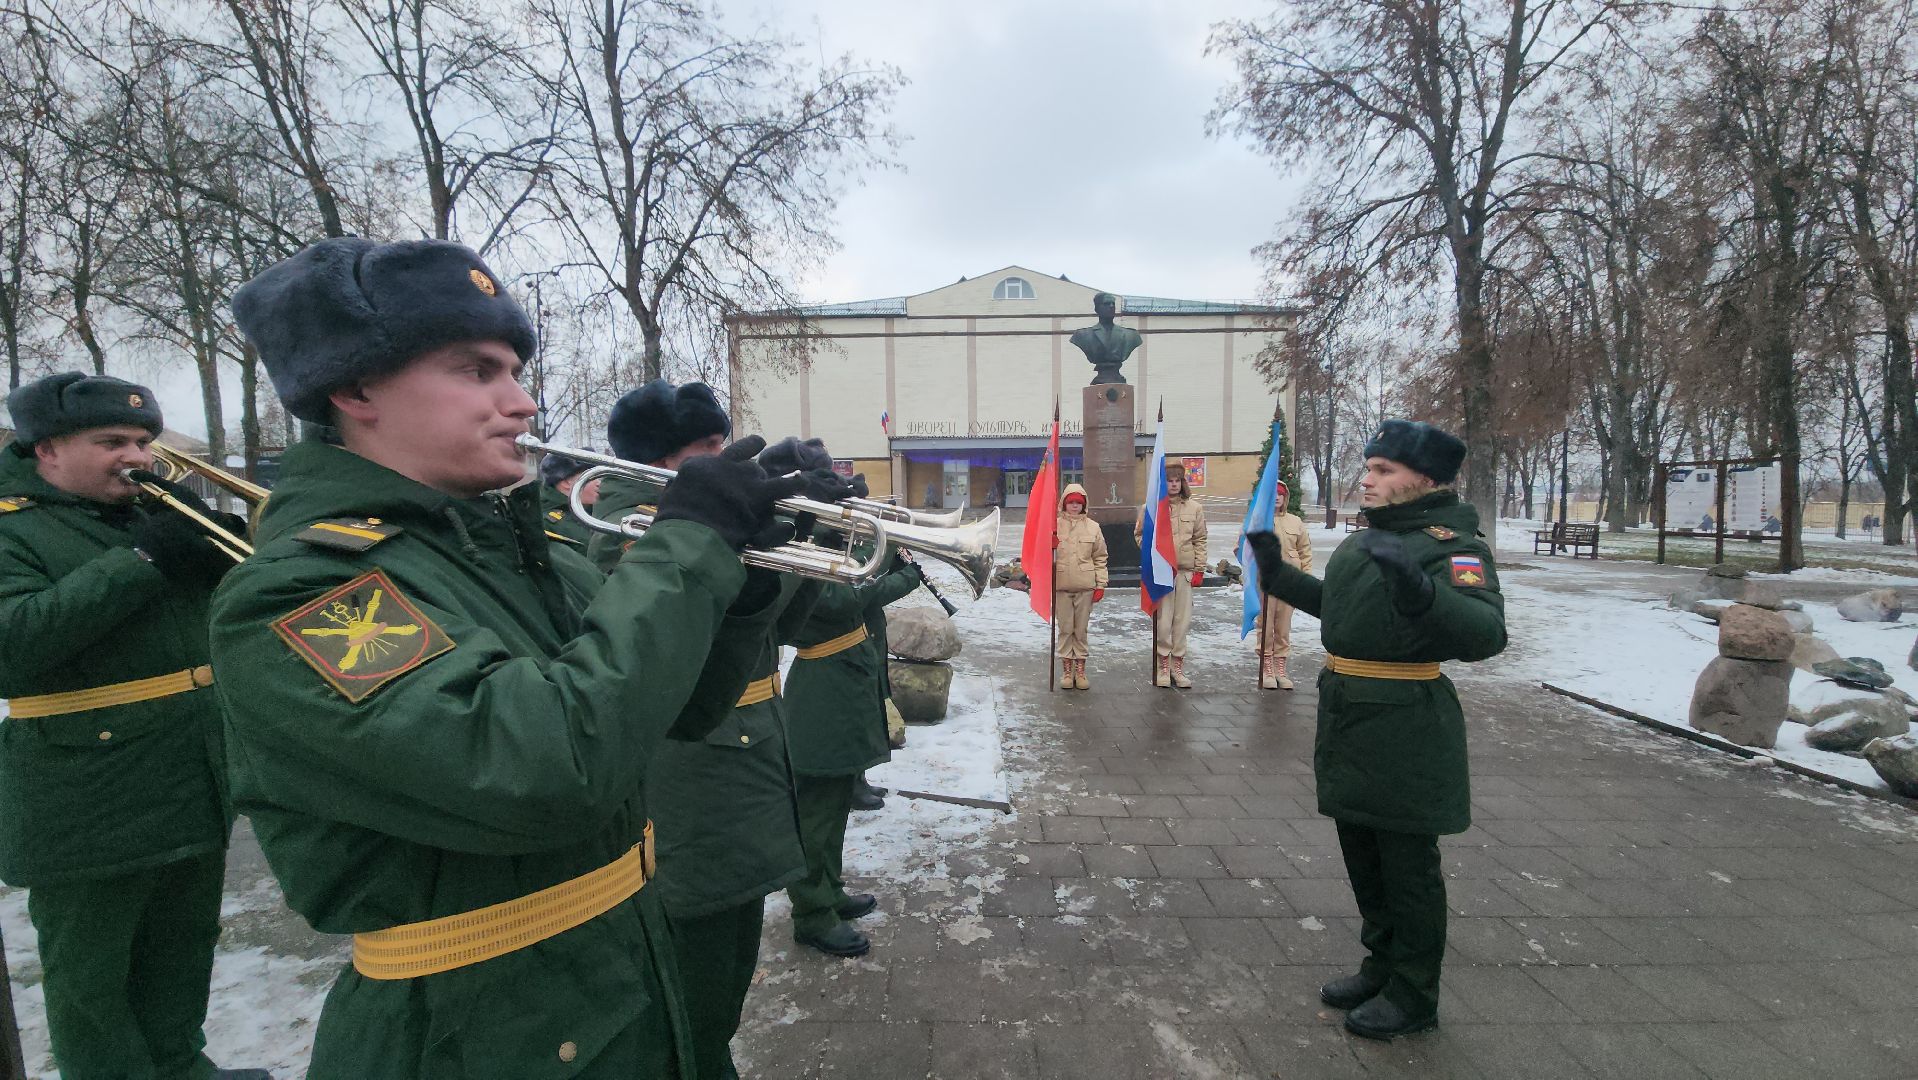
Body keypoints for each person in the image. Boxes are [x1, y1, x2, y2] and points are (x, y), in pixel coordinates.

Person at [213, 236, 806, 1077]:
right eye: (477, 371)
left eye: (517, 373)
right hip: (474, 1029)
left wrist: (741, 581)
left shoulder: (518, 550)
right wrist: (690, 543)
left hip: (617, 977)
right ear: (354, 388)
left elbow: (677, 710)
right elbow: (547, 768)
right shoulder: (303, 590)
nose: (522, 403)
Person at [0, 373, 271, 1080]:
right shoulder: (13, 526)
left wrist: (221, 556)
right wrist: (144, 561)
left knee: (182, 946)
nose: (137, 457)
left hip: (191, 770)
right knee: (92, 975)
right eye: (111, 441)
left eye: (144, 441)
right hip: (84, 790)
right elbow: (12, 646)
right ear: (47, 449)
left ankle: (179, 1066)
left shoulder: (145, 515)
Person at [590, 410, 850, 1080]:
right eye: (708, 447)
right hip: (696, 775)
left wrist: (805, 536)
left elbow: (776, 627)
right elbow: (672, 648)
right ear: (660, 459)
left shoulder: (700, 523)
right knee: (695, 996)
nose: (727, 457)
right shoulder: (628, 530)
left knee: (726, 977)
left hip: (747, 761)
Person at [1248, 419, 1505, 1041]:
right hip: (1350, 714)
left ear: (1427, 479)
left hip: (1407, 723)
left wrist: (1422, 594)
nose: (1367, 479)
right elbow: (1347, 612)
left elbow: (1485, 633)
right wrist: (1278, 575)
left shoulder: (1452, 547)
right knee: (1364, 858)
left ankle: (1414, 994)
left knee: (1407, 869)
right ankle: (1381, 968)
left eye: (1384, 470)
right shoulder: (1372, 539)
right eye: (1368, 467)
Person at [779, 445, 923, 958]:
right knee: (816, 812)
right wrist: (890, 567)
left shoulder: (820, 539)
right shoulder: (794, 542)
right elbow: (841, 599)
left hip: (843, 680)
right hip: (822, 688)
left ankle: (830, 890)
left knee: (836, 802)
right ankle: (811, 913)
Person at [1137, 461, 1207, 688]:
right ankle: (1163, 667)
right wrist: (1153, 555)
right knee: (1164, 622)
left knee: (1181, 622)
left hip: (1184, 573)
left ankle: (1178, 667)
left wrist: (1199, 569)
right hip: (1162, 573)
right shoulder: (1152, 507)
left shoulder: (1194, 508)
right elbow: (1140, 535)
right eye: (1169, 481)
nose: (1174, 485)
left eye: (1177, 480)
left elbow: (1200, 539)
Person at [1254, 478, 1314, 690]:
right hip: (1266, 583)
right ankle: (1267, 667)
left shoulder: (1295, 522)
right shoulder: (1258, 521)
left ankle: (1280, 668)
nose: (1277, 497)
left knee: (1283, 627)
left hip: (1290, 583)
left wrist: (1305, 580)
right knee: (1266, 626)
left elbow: (1305, 552)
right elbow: (1242, 549)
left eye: (1281, 494)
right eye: (1274, 494)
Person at [1054, 483, 1107, 690]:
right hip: (1061, 586)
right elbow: (1043, 557)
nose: (1074, 506)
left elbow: (1100, 557)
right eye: (1071, 502)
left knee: (1080, 630)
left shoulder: (1093, 527)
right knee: (1065, 629)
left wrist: (1100, 584)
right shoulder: (1054, 526)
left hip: (1085, 586)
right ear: (1064, 504)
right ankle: (1067, 671)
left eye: (1078, 502)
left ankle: (1081, 670)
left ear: (1084, 504)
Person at [537, 452, 601, 547]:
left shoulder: (593, 512)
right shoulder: (547, 524)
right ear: (567, 482)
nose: (599, 483)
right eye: (591, 477)